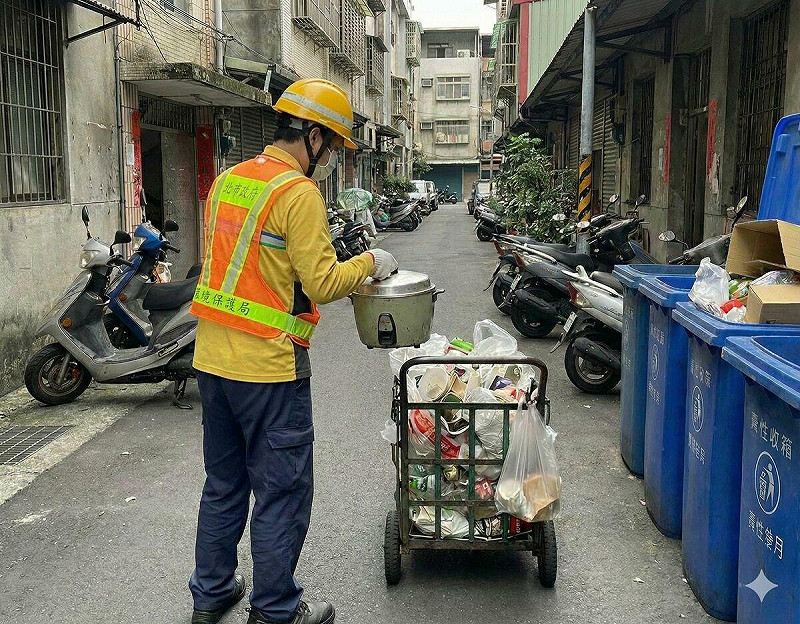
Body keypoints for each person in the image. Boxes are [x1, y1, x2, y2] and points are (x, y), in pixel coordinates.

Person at [188, 78, 398, 624]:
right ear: (311, 135)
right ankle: (276, 609)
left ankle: (210, 596)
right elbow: (325, 282)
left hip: (212, 361)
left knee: (224, 484)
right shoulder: (297, 194)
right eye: (330, 148)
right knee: (281, 491)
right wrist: (372, 262)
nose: (328, 161)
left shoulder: (228, 181)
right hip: (270, 367)